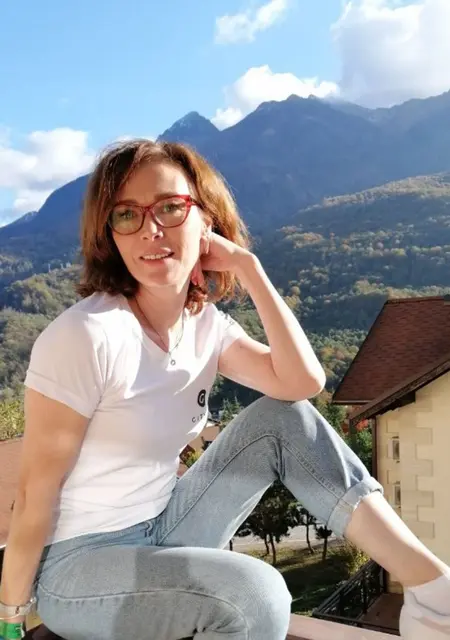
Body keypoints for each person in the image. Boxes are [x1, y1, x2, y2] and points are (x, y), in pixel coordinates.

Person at [0, 139, 449, 640]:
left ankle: (433, 591)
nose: (150, 229)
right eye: (127, 215)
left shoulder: (204, 325)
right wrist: (10, 621)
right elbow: (34, 493)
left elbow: (302, 382)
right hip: (80, 567)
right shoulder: (87, 336)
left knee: (282, 418)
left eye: (170, 207)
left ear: (205, 221)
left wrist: (249, 268)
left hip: (165, 527)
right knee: (256, 594)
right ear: (111, 236)